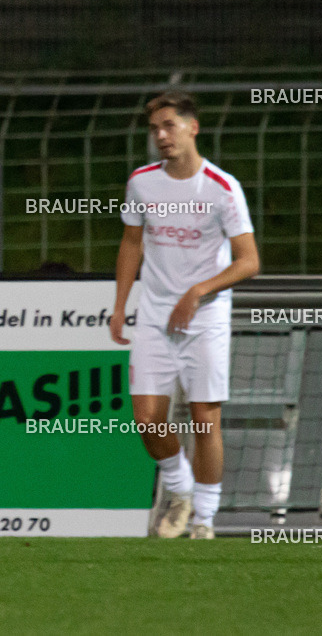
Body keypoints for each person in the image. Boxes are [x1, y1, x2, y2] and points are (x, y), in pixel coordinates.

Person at [109, 91, 259, 540]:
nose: (161, 136)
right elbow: (132, 243)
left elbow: (248, 260)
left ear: (192, 127)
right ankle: (179, 491)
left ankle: (205, 522)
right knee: (148, 419)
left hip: (205, 319)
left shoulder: (221, 187)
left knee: (204, 419)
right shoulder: (141, 182)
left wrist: (198, 291)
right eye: (155, 129)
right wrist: (120, 306)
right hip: (155, 316)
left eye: (169, 126)